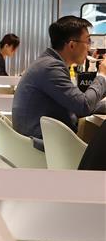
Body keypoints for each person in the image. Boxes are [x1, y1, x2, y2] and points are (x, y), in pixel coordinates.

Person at [11, 16, 106, 148]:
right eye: (88, 41)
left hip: (39, 141)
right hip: (44, 147)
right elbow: (83, 106)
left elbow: (76, 104)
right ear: (72, 45)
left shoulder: (48, 63)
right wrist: (102, 75)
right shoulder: (51, 67)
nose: (90, 48)